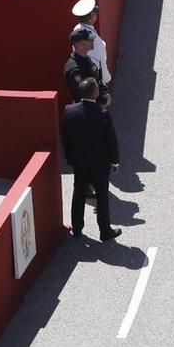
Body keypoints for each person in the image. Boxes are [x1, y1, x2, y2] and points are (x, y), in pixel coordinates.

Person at [60, 76, 119, 240]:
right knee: (102, 195)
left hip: (79, 162)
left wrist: (70, 157)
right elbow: (111, 140)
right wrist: (115, 161)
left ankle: (77, 229)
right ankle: (105, 231)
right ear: (95, 93)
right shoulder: (102, 114)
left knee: (78, 193)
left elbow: (65, 138)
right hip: (100, 163)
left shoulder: (69, 111)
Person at [65, 26, 108, 110]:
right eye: (89, 40)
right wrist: (103, 102)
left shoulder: (85, 57)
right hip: (87, 111)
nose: (92, 41)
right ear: (81, 46)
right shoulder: (74, 70)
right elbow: (84, 95)